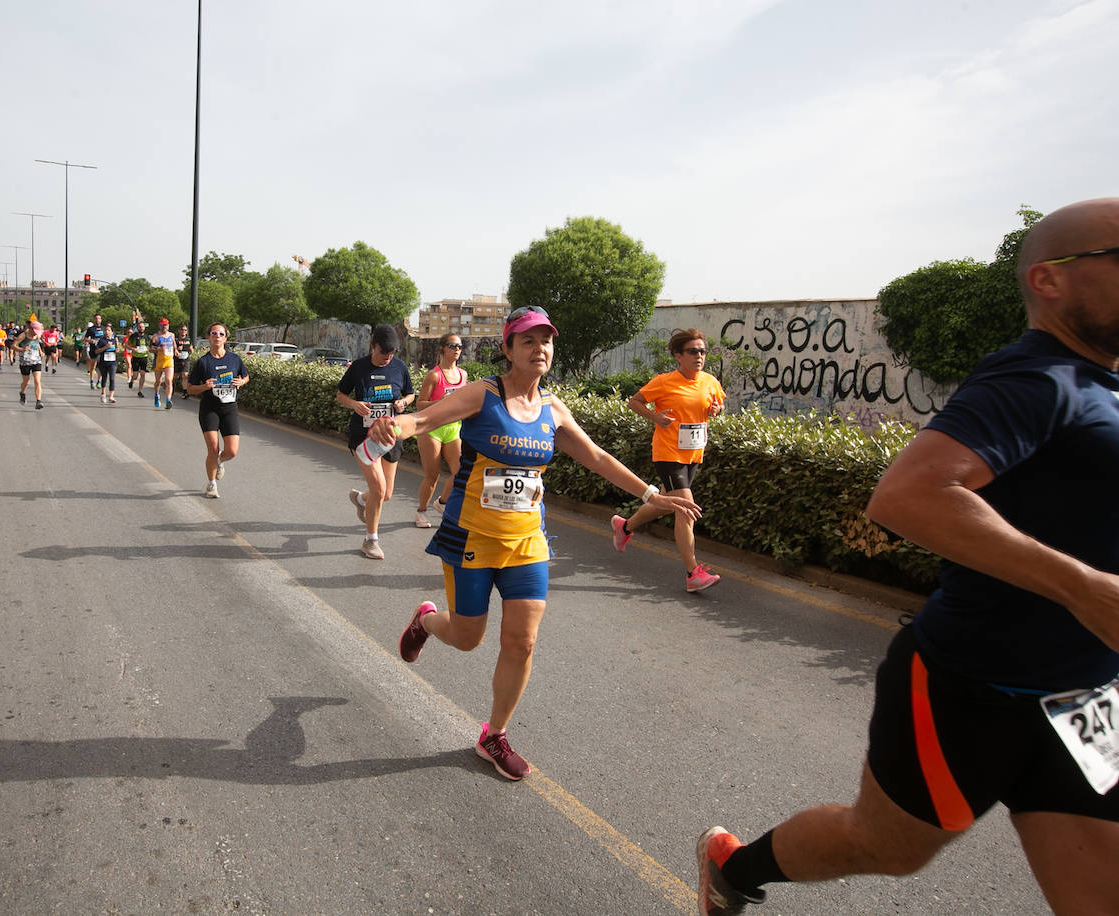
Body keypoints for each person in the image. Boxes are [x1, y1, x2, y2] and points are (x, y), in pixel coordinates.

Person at [695, 198, 1119, 915]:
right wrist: (1081, 589)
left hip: (1084, 699)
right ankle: (734, 869)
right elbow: (907, 496)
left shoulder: (1104, 384)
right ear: (1050, 280)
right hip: (971, 689)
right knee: (886, 846)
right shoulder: (1036, 380)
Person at [376, 306, 700, 779]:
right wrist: (393, 426)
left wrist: (653, 495)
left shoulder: (552, 410)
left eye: (546, 340)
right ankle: (426, 621)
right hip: (473, 536)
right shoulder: (482, 395)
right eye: (527, 340)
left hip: (527, 541)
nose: (539, 348)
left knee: (522, 642)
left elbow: (597, 456)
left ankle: (494, 735)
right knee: (468, 638)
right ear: (508, 349)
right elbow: (424, 422)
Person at [609, 329, 725, 592]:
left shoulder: (709, 382)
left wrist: (716, 409)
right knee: (686, 507)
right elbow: (634, 402)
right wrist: (656, 418)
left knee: (664, 505)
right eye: (693, 351)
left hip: (693, 454)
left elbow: (718, 404)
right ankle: (692, 573)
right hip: (668, 453)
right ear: (678, 355)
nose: (699, 356)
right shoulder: (664, 382)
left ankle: (624, 526)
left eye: (702, 351)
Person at [336, 324, 415, 559]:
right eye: (383, 353)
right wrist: (354, 404)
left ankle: (361, 500)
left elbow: (411, 393)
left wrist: (404, 403)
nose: (387, 358)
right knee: (379, 490)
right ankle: (370, 540)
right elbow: (340, 394)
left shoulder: (399, 367)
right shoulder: (359, 367)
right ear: (373, 345)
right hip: (364, 437)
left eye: (391, 354)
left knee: (386, 493)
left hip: (391, 435)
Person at [185, 322, 250, 498]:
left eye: (221, 334)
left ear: (226, 338)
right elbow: (190, 388)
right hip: (209, 409)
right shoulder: (203, 362)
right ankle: (211, 484)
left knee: (232, 451)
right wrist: (204, 387)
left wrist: (241, 382)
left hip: (229, 409)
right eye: (214, 333)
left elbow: (246, 376)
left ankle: (220, 461)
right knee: (213, 449)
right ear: (208, 337)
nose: (217, 337)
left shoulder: (234, 359)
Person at [414, 333, 467, 528]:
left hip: (453, 428)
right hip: (431, 429)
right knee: (432, 475)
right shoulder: (434, 375)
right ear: (442, 348)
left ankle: (442, 502)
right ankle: (421, 511)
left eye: (460, 346)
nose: (457, 350)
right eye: (452, 345)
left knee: (460, 471)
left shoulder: (463, 375)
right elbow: (420, 404)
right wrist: (440, 402)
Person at [11, 320, 46, 409]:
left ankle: (38, 401)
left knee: (37, 381)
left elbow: (37, 343)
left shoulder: (37, 335)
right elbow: (13, 346)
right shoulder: (23, 335)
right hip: (25, 361)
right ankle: (22, 393)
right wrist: (22, 349)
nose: (36, 333)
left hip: (36, 361)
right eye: (35, 331)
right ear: (31, 329)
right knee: (26, 382)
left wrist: (40, 351)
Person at [151, 318, 178, 409]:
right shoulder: (156, 336)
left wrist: (176, 350)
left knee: (168, 380)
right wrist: (158, 349)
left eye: (166, 325)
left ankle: (168, 400)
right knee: (158, 381)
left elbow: (174, 344)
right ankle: (156, 395)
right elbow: (150, 349)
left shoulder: (172, 335)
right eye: (162, 325)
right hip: (159, 361)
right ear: (159, 325)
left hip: (169, 361)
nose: (164, 327)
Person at [92, 325, 120, 403]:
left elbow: (116, 349)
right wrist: (106, 347)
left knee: (112, 378)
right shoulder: (101, 340)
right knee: (104, 378)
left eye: (108, 330)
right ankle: (103, 394)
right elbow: (96, 351)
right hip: (103, 362)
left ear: (112, 332)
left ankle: (111, 396)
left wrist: (117, 349)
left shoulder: (114, 340)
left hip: (112, 362)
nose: (107, 332)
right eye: (106, 330)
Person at [125, 319, 151, 396]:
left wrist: (149, 349)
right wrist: (133, 349)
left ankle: (140, 391)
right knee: (135, 375)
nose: (141, 328)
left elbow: (151, 346)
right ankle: (132, 381)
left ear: (144, 328)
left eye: (142, 327)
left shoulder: (147, 337)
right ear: (137, 328)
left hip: (144, 357)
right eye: (140, 327)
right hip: (136, 357)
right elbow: (126, 345)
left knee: (143, 374)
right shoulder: (133, 336)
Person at [84, 315, 105, 388]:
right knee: (93, 366)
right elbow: (85, 338)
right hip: (93, 349)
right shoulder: (91, 329)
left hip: (102, 349)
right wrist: (90, 340)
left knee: (101, 367)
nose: (97, 320)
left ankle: (99, 381)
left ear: (101, 320)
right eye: (96, 319)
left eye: (99, 318)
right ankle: (92, 381)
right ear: (94, 320)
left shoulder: (104, 328)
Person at [174, 325, 194, 400]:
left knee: (185, 375)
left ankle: (185, 392)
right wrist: (177, 349)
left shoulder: (188, 340)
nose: (184, 331)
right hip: (177, 360)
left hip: (185, 359)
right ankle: (172, 386)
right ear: (179, 330)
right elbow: (172, 350)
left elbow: (191, 349)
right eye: (182, 330)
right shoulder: (176, 340)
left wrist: (191, 350)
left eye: (185, 330)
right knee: (175, 377)